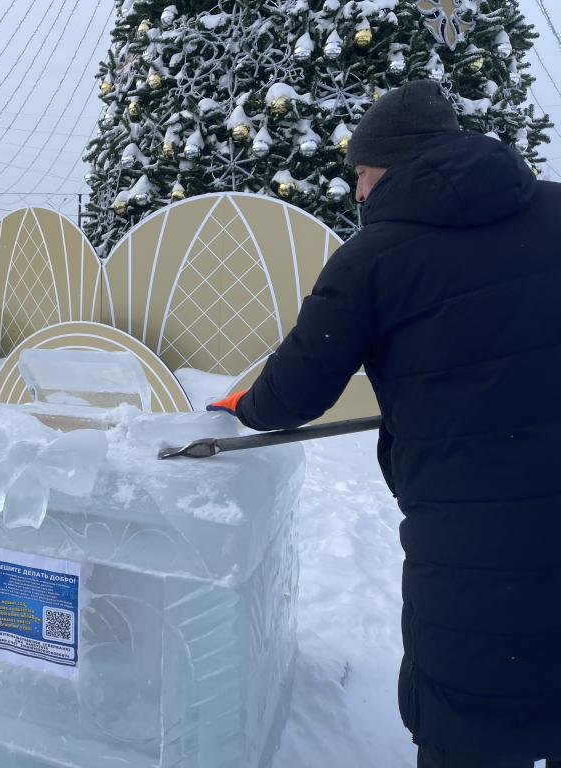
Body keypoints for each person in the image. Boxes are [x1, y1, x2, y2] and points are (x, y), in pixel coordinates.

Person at [208, 80, 561, 767]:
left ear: (392, 164)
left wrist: (242, 406)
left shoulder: (374, 259)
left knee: (473, 706)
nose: (360, 193)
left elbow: (293, 393)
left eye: (362, 174)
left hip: (470, 535)